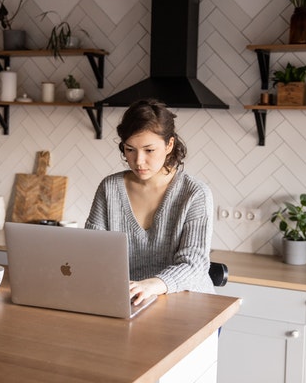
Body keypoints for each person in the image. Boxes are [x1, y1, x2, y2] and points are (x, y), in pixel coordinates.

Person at [85, 98, 214, 305]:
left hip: (187, 304)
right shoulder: (109, 188)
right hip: (128, 300)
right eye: (130, 149)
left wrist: (151, 285)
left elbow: (194, 265)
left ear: (169, 145)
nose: (138, 161)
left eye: (149, 150)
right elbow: (92, 251)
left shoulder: (194, 193)